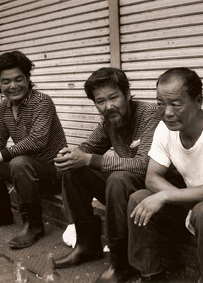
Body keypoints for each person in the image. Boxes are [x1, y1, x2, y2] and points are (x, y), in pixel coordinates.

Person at [127, 67, 203, 283]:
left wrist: (165, 196)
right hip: (191, 201)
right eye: (160, 103)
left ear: (198, 101)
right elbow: (152, 177)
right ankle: (150, 275)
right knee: (139, 199)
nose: (167, 112)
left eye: (175, 104)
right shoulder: (164, 129)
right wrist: (175, 197)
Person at [53, 67, 163, 283]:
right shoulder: (109, 121)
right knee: (75, 170)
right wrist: (70, 155)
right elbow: (89, 146)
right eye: (100, 101)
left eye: (114, 97)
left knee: (118, 178)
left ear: (127, 94)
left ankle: (120, 263)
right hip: (124, 189)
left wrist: (89, 159)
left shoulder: (150, 114)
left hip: (154, 189)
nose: (108, 106)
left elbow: (145, 165)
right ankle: (87, 245)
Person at [0, 51, 67, 249]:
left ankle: (34, 225)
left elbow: (37, 140)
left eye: (18, 79)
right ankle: (0, 213)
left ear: (28, 79)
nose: (13, 86)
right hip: (23, 171)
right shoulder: (5, 106)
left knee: (18, 162)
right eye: (5, 81)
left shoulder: (42, 102)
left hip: (53, 172)